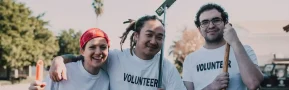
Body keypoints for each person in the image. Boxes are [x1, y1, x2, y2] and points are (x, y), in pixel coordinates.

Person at [48, 15, 187, 90]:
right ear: (137, 36)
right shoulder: (115, 58)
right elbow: (82, 58)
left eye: (159, 37)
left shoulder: (166, 68)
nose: (154, 41)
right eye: (149, 34)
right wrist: (59, 60)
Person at [182, 3, 263, 90]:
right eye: (205, 22)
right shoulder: (190, 59)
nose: (211, 26)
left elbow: (253, 83)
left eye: (216, 20)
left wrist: (235, 42)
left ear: (226, 23)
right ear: (199, 29)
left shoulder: (244, 50)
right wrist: (210, 88)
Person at [28, 28, 110, 90]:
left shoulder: (106, 80)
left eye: (103, 47)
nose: (98, 52)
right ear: (82, 51)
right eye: (92, 47)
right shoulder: (61, 71)